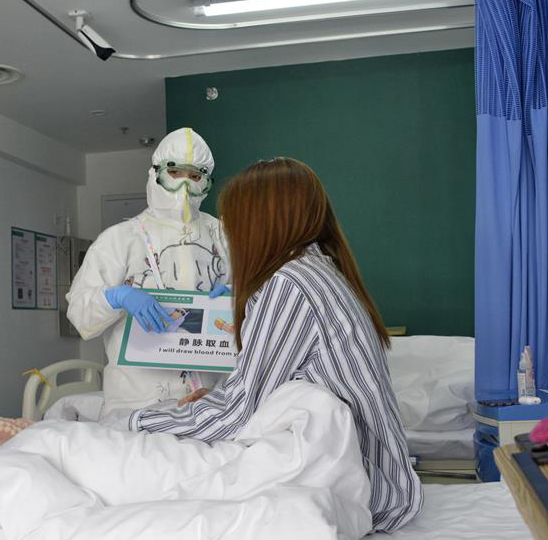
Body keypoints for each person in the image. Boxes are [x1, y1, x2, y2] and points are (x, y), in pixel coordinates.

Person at [126, 157, 422, 533]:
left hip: (371, 490)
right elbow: (265, 390)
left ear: (259, 222)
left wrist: (134, 421)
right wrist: (218, 397)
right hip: (385, 480)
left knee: (161, 482)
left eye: (232, 221)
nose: (227, 232)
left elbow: (235, 414)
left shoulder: (289, 283)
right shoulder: (320, 269)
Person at [66, 128, 231, 412]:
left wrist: (236, 298)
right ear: (155, 174)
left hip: (207, 397)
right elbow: (80, 315)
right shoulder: (121, 239)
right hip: (135, 401)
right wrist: (116, 297)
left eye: (195, 176)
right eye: (175, 172)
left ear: (206, 182)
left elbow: (257, 300)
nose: (184, 185)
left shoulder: (223, 236)